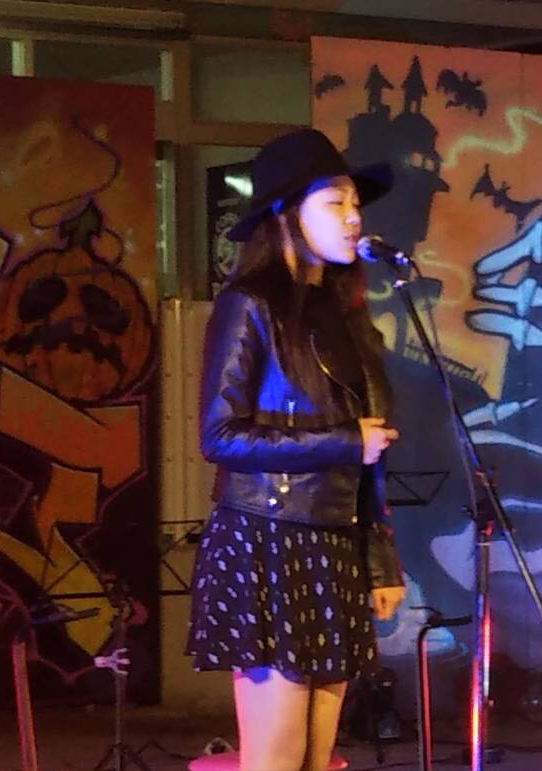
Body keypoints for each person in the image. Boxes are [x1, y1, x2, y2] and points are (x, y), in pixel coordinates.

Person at [187, 128, 407, 771]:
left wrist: (379, 560)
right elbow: (219, 435)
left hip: (332, 543)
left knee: (318, 757)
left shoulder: (343, 313)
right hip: (266, 537)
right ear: (287, 213)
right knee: (278, 756)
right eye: (335, 202)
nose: (353, 217)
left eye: (355, 204)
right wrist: (344, 441)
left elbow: (370, 454)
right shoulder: (248, 304)